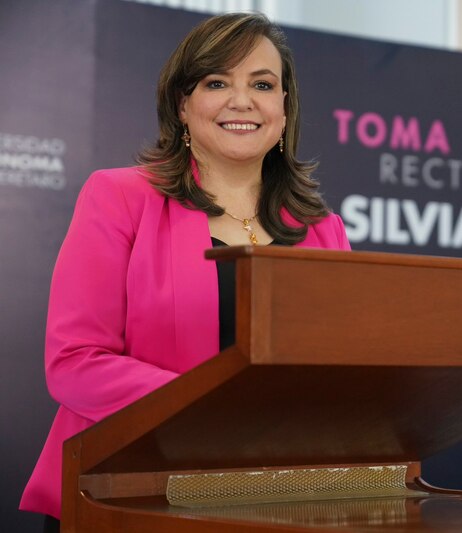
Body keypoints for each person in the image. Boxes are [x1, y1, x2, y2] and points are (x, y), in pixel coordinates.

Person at [19, 12, 350, 530]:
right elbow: (75, 362)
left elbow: (342, 376)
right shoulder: (120, 197)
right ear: (183, 104)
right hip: (125, 495)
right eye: (217, 82)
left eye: (262, 84)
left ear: (284, 110)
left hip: (271, 503)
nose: (242, 100)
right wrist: (209, 413)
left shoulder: (324, 229)